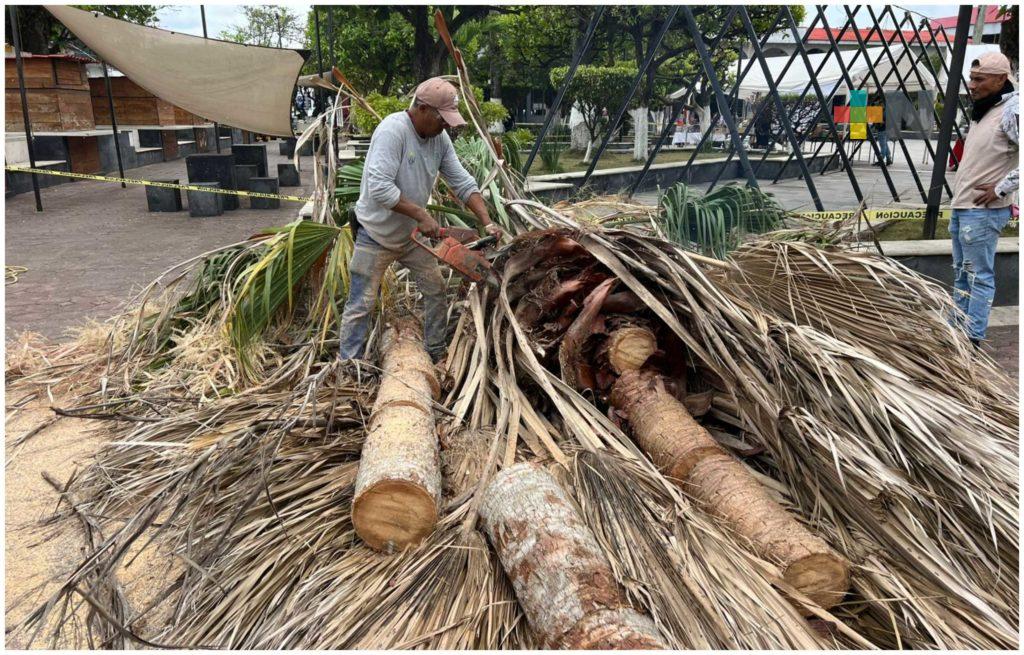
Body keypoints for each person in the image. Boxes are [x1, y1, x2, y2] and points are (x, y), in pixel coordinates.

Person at [337, 77, 504, 367]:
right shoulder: (393, 131)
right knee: (361, 303)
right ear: (423, 109)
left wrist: (487, 222)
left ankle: (435, 352)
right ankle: (348, 365)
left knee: (435, 290)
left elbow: (462, 182)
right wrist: (421, 214)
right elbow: (379, 188)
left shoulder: (439, 139)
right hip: (375, 234)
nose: (446, 126)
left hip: (411, 237)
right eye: (442, 119)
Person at [949, 52, 1018, 347]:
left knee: (978, 277)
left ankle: (972, 338)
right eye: (971, 78)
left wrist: (1002, 188)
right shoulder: (987, 108)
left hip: (982, 211)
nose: (972, 85)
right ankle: (956, 330)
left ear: (1001, 79)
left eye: (979, 79)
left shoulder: (1013, 110)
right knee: (962, 274)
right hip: (964, 206)